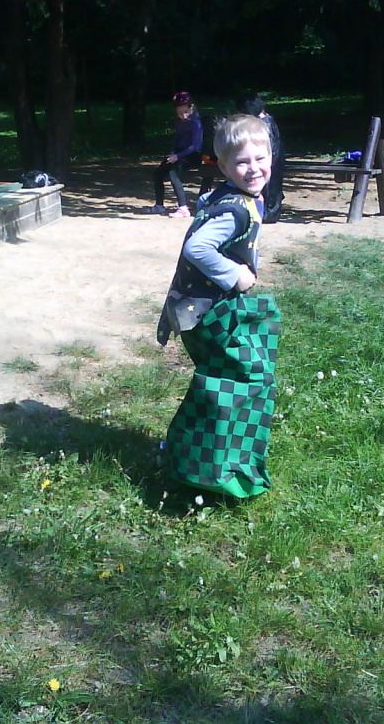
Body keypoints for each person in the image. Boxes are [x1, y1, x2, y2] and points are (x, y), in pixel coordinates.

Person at [156, 114, 282, 499]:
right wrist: (234, 274)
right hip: (207, 311)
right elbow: (197, 247)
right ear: (224, 167)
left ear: (272, 157)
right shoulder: (235, 209)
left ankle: (197, 453)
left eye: (260, 158)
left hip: (207, 308)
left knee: (227, 377)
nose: (253, 168)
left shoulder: (232, 197)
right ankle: (207, 465)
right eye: (241, 162)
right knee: (244, 378)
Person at [150, 91, 203, 219]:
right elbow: (177, 140)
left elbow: (195, 146)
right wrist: (173, 154)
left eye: (185, 111)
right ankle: (159, 205)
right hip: (179, 154)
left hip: (193, 155)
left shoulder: (196, 123)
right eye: (179, 112)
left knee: (173, 173)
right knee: (158, 173)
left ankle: (183, 208)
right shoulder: (179, 122)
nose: (183, 115)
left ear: (191, 107)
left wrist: (178, 157)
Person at [237, 92, 284, 223]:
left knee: (269, 189)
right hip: (270, 162)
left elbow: (271, 148)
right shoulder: (265, 121)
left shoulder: (265, 123)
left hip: (271, 163)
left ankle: (268, 213)